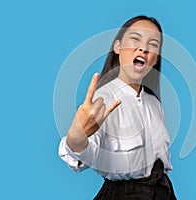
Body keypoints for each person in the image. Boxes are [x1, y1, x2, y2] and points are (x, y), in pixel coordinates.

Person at [58, 15, 177, 199]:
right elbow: (87, 154)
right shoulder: (103, 99)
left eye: (153, 44)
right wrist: (76, 137)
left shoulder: (155, 104)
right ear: (118, 47)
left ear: (155, 59)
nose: (143, 48)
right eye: (135, 39)